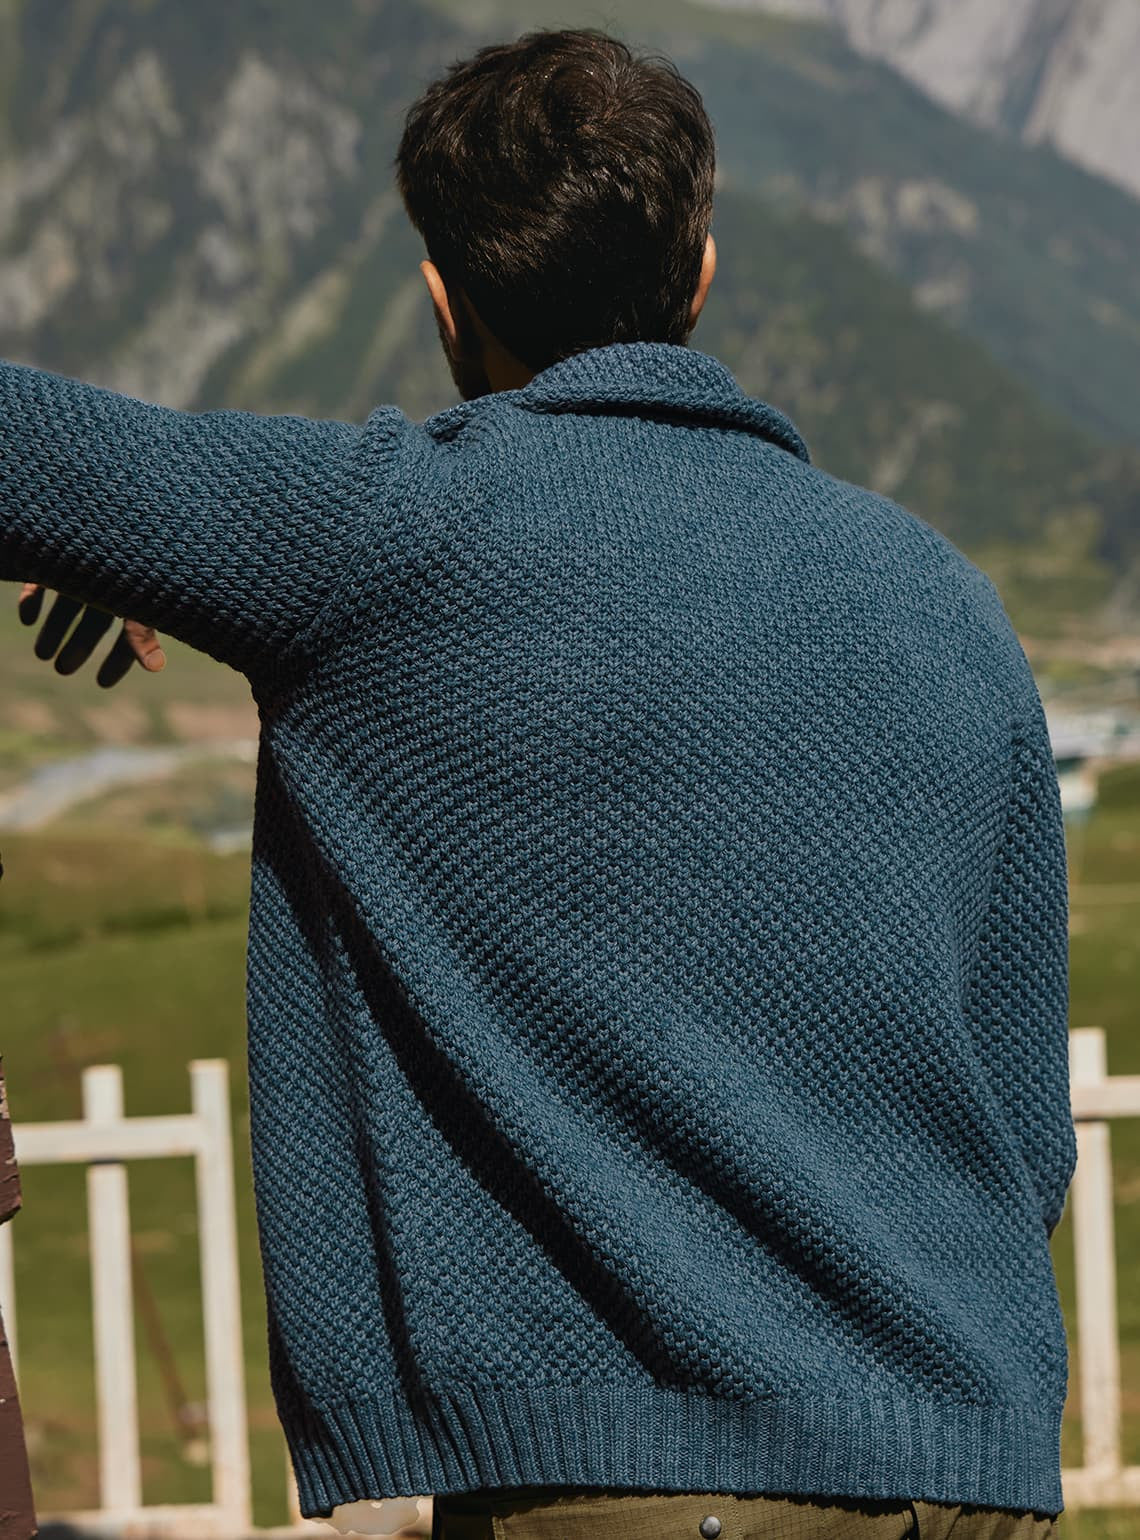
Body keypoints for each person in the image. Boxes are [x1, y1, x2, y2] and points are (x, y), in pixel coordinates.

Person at [2, 25, 1075, 1540]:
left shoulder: (375, 539)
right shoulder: (952, 601)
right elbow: (1028, 1135)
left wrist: (110, 537)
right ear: (701, 274)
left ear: (445, 304)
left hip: (648, 1482)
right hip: (974, 1475)